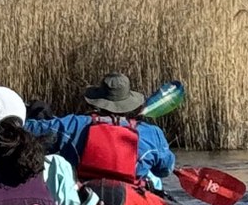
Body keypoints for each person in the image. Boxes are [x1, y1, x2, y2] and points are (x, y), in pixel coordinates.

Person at [24, 72, 176, 189]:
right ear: (129, 102)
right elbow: (165, 170)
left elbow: (29, 130)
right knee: (154, 180)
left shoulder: (74, 125)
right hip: (132, 202)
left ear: (98, 101)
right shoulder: (152, 133)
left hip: (85, 197)